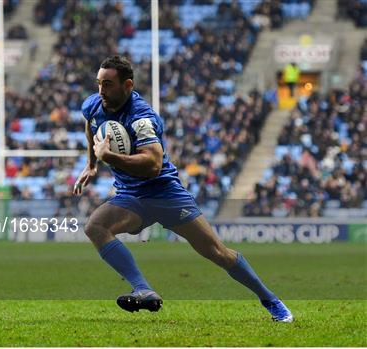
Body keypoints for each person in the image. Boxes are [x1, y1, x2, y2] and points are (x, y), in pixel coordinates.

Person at [73, 55, 293, 322]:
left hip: (165, 193)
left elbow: (153, 164)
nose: (101, 91)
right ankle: (143, 289)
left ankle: (271, 300)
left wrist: (111, 158)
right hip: (131, 196)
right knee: (95, 227)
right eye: (98, 83)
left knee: (217, 252)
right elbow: (90, 124)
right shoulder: (94, 104)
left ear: (128, 85)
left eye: (107, 84)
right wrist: (91, 163)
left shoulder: (142, 117)